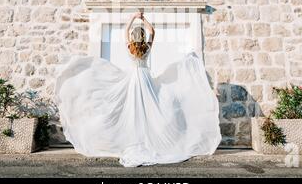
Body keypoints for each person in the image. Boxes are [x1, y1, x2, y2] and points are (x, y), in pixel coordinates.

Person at [54, 12, 221, 167]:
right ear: (143, 36)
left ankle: (134, 140)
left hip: (134, 78)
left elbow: (126, 31)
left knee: (132, 109)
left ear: (134, 36)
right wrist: (144, 19)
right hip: (145, 77)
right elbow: (153, 31)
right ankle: (149, 139)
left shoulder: (130, 46)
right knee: (149, 108)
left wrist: (134, 17)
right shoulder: (146, 47)